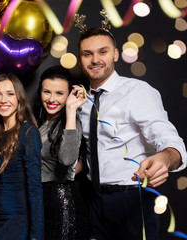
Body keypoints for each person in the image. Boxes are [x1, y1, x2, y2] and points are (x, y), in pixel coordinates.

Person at [76, 27, 187, 240]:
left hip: (133, 200)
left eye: (103, 52)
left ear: (116, 54)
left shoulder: (137, 91)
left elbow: (168, 137)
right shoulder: (81, 101)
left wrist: (166, 157)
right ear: (80, 59)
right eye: (87, 54)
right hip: (94, 200)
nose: (95, 59)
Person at [34, 65, 88, 240]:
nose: (51, 99)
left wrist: (71, 110)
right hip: (40, 199)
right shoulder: (40, 122)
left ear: (69, 95)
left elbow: (66, 159)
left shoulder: (71, 123)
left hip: (60, 200)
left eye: (59, 93)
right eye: (47, 92)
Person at [0, 73, 44, 240]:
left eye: (10, 94)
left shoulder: (28, 132)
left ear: (19, 97)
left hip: (19, 221)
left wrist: (36, 236)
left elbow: (35, 189)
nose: (3, 100)